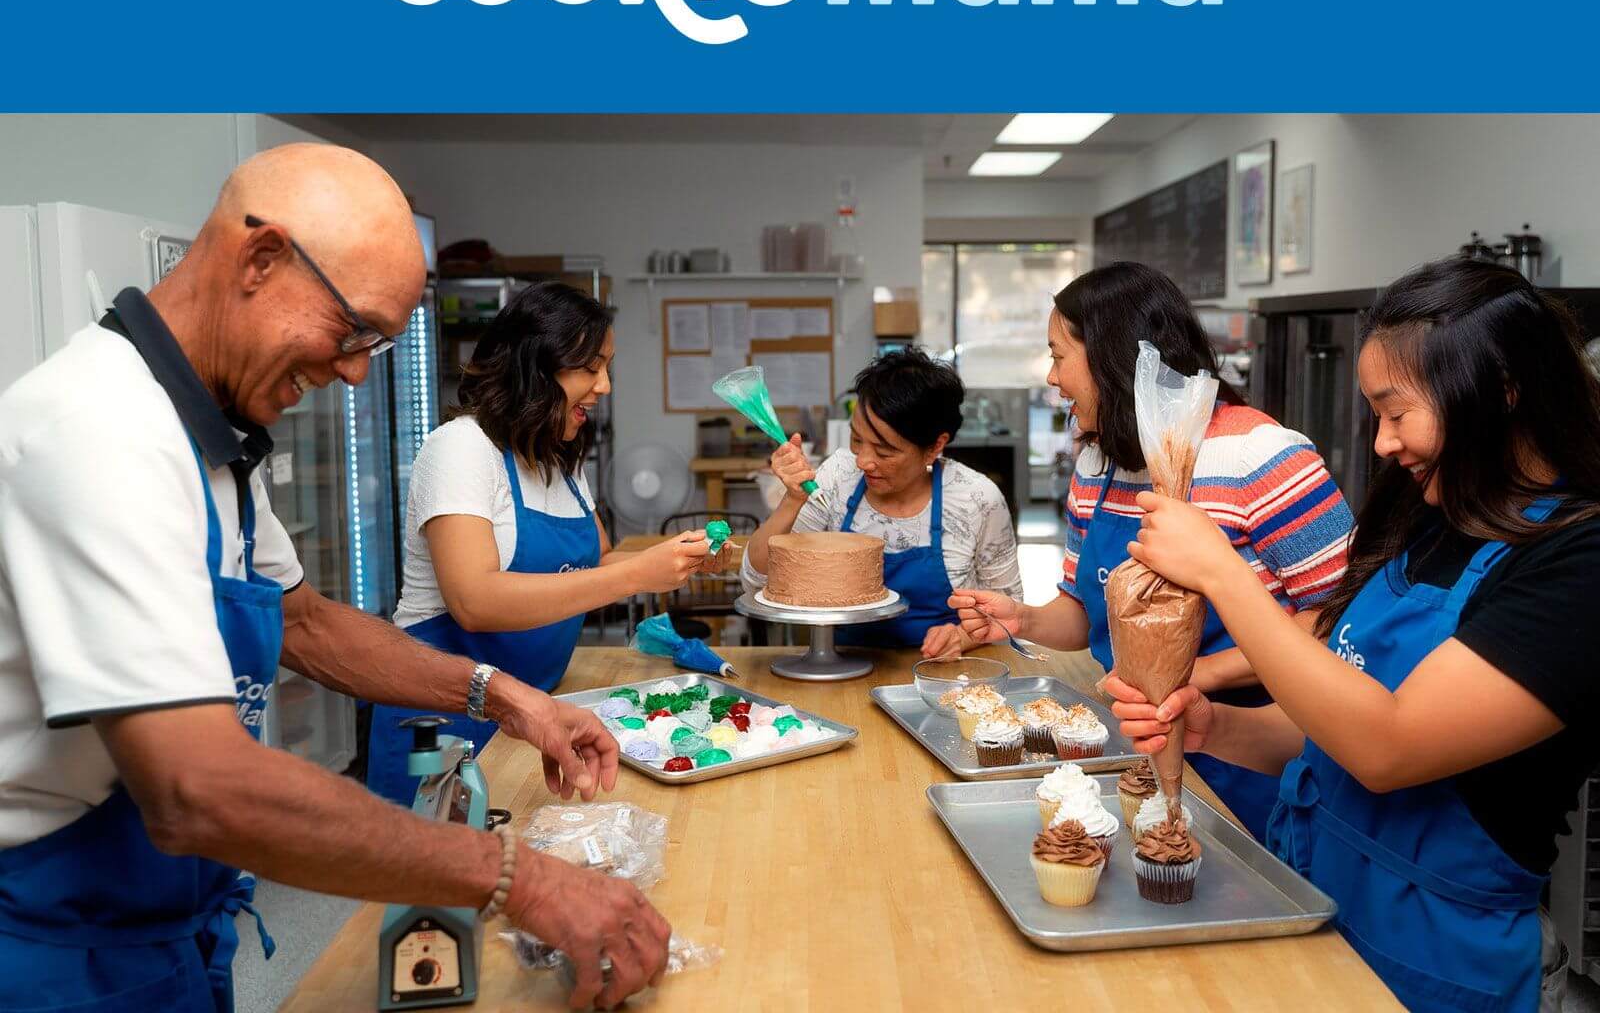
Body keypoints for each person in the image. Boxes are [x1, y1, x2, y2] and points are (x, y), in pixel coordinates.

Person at [0, 145, 668, 1013]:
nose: (354, 371)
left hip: (167, 921)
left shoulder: (208, 441)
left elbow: (308, 624)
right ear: (261, 258)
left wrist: (504, 697)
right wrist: (520, 876)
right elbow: (197, 787)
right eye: (353, 331)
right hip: (54, 950)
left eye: (377, 345)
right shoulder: (99, 432)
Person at [1107, 257, 1600, 1012]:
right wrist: (1215, 728)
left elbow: (1387, 747)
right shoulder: (1430, 521)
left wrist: (1224, 575)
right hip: (1315, 902)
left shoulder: (1576, 563)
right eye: (1375, 417)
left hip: (1437, 956)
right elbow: (1325, 729)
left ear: (1502, 391)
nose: (1381, 444)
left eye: (1397, 414)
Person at [951, 262, 1354, 838]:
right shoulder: (1099, 462)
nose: (1051, 377)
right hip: (1133, 746)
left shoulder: (1260, 456)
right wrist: (1024, 619)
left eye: (1059, 356)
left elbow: (1338, 619)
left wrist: (1195, 676)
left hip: (1252, 756)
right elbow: (1085, 612)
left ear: (1112, 358)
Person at [367, 281, 718, 804]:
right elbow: (474, 601)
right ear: (534, 367)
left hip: (531, 714)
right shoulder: (461, 449)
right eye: (590, 368)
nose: (604, 387)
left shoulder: (557, 458)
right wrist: (636, 574)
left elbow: (598, 561)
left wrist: (675, 559)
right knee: (432, 850)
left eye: (607, 368)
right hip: (441, 722)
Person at [742, 348, 1022, 650]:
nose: (863, 461)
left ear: (934, 447)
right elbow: (756, 580)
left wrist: (961, 638)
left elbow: (1009, 611)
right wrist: (792, 500)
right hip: (841, 662)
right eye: (856, 440)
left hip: (943, 670)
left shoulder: (977, 499)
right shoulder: (837, 477)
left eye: (884, 451)